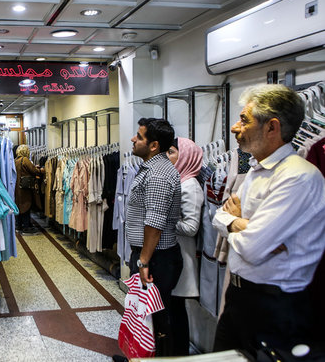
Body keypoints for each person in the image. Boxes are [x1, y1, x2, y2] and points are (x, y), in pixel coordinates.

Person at [212, 84, 325, 356]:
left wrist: (241, 227)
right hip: (239, 298)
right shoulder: (256, 170)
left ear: (272, 127)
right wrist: (242, 225)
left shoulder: (297, 177)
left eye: (244, 120)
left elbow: (252, 247)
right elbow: (218, 216)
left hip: (274, 307)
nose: (235, 128)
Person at [125, 117, 182, 356]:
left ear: (153, 146)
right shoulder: (151, 168)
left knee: (158, 319)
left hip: (156, 259)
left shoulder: (158, 174)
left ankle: (160, 359)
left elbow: (154, 223)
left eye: (139, 136)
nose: (133, 139)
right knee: (145, 317)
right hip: (152, 256)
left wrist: (144, 262)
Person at [167, 137, 204, 356]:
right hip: (173, 255)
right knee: (171, 310)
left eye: (172, 152)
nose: (167, 157)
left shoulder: (190, 186)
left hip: (182, 258)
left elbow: (191, 227)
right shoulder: (179, 181)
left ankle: (178, 355)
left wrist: (164, 219)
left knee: (176, 311)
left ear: (186, 157)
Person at [14, 144, 43, 234]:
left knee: (19, 206)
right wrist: (41, 170)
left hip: (18, 187)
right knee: (26, 205)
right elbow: (33, 171)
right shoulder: (25, 159)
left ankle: (19, 225)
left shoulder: (16, 160)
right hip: (25, 188)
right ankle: (26, 226)